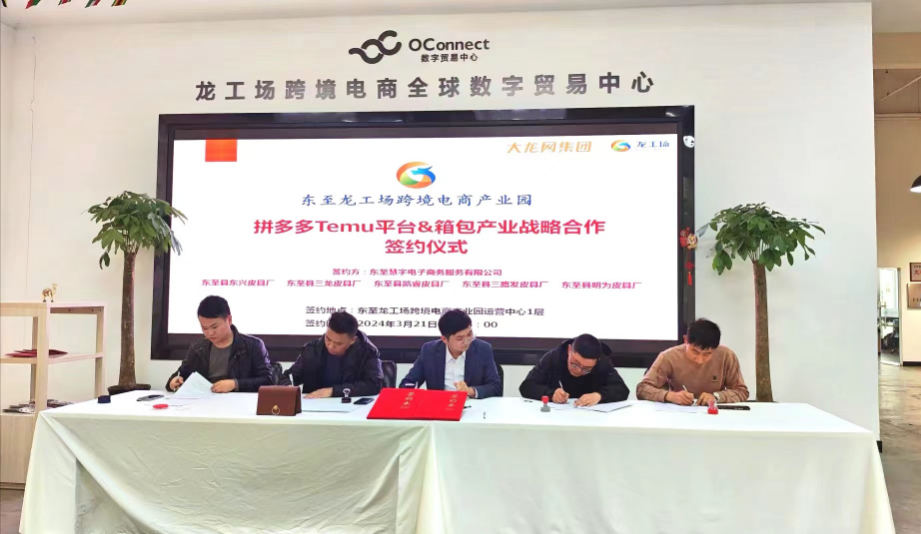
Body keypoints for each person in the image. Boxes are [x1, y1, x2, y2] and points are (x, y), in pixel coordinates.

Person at [166, 296, 272, 393]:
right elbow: (181, 375)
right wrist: (173, 382)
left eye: (214, 327)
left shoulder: (253, 345)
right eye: (204, 328)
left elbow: (267, 380)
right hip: (204, 402)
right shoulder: (197, 348)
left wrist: (235, 384)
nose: (210, 333)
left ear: (229, 320)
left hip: (240, 403)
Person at [636, 319, 749, 405]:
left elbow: (742, 391)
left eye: (707, 354)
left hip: (714, 413)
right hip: (678, 412)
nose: (700, 360)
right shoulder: (668, 356)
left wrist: (716, 397)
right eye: (695, 351)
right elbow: (642, 389)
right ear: (685, 340)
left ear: (716, 348)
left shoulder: (726, 355)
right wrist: (670, 396)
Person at [399, 309, 502, 399]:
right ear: (444, 339)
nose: (466, 341)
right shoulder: (429, 351)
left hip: (472, 406)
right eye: (460, 338)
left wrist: (470, 391)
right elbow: (408, 383)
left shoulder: (482, 349)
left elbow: (495, 387)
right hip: (439, 407)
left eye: (469, 334)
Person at [288, 311, 383, 398]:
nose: (330, 346)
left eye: (338, 343)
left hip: (350, 406)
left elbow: (374, 384)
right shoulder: (312, 349)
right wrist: (288, 386)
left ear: (352, 340)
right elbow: (291, 376)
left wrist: (334, 391)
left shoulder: (367, 352)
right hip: (313, 404)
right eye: (328, 339)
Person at [519, 334, 629, 406]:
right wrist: (551, 394)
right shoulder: (554, 357)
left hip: (591, 417)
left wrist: (599, 396)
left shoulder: (602, 362)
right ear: (569, 350)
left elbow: (622, 390)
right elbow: (527, 386)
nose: (579, 370)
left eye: (587, 369)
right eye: (575, 364)